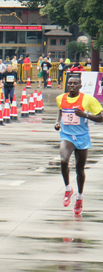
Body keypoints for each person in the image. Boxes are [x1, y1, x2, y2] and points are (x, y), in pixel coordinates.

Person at [55, 75, 103, 216]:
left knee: (79, 169)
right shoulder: (61, 98)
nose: (72, 86)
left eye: (75, 84)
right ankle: (68, 188)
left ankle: (79, 197)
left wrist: (85, 114)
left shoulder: (87, 99)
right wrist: (58, 122)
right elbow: (61, 110)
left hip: (82, 138)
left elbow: (101, 117)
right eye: (70, 83)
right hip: (67, 136)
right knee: (63, 161)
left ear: (80, 86)